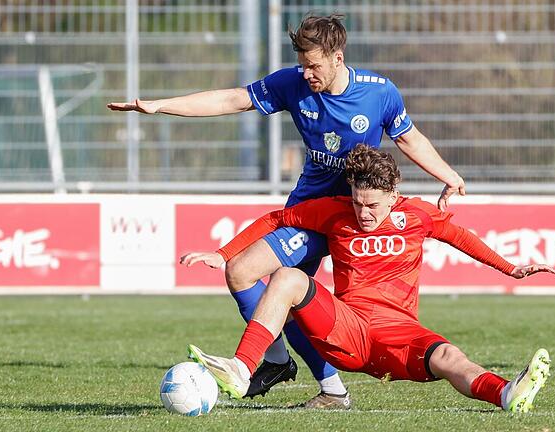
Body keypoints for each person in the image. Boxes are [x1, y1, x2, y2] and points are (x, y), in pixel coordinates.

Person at [109, 14, 466, 408]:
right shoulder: (291, 83)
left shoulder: (379, 93)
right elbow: (232, 98)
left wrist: (449, 176)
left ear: (337, 57)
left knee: (273, 284)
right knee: (247, 275)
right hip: (309, 212)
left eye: (314, 65)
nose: (306, 73)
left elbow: (409, 139)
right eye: (302, 63)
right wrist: (160, 106)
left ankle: (293, 370)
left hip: (354, 217)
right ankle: (300, 373)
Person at [180, 144, 555, 412]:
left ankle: (506, 393)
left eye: (372, 205)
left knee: (448, 356)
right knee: (289, 278)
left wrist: (511, 268)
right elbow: (277, 218)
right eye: (358, 202)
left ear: (394, 194)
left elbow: (461, 237)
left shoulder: (418, 215)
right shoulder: (335, 212)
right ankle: (242, 369)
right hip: (349, 330)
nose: (363, 213)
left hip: (399, 334)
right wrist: (224, 254)